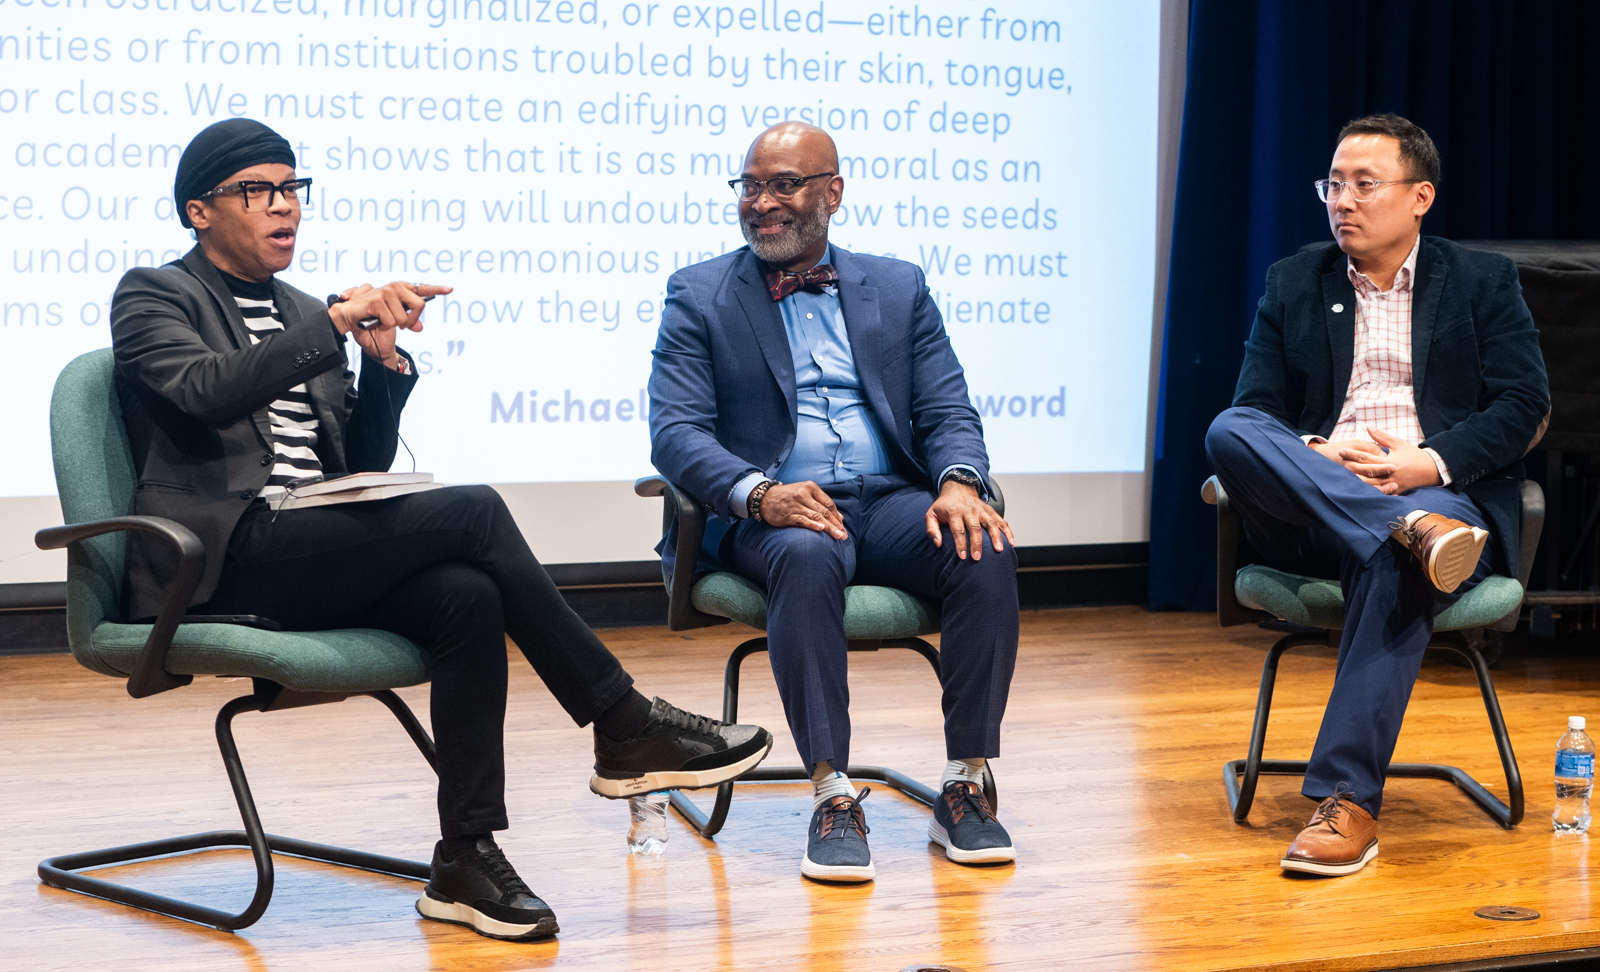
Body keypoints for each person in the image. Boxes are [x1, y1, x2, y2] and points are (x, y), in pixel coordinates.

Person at [109, 118, 774, 940]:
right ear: (198, 211)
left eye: (292, 189)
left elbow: (353, 460)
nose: (284, 208)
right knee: (475, 507)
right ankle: (623, 721)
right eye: (257, 191)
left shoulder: (298, 310)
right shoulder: (153, 295)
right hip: (222, 560)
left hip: (304, 545)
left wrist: (380, 369)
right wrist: (331, 326)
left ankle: (465, 855)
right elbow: (207, 391)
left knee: (464, 597)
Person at [647, 122, 1020, 883]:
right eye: (750, 186)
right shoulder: (699, 293)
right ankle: (832, 792)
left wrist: (959, 483)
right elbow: (675, 431)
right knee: (809, 553)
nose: (762, 203)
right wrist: (760, 494)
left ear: (833, 193)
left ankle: (966, 785)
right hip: (771, 513)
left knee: (982, 543)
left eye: (783, 184)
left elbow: (949, 409)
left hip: (887, 499)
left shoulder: (899, 285)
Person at [1205, 114, 1549, 876]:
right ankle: (1404, 527)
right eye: (1333, 184)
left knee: (1396, 558)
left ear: (1420, 195)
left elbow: (1524, 405)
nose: (1343, 201)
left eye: (1365, 185)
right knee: (1230, 428)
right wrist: (1320, 454)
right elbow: (1255, 407)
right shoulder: (1296, 279)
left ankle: (1348, 803)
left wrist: (1428, 463)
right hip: (1314, 500)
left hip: (1438, 493)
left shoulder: (1482, 280)